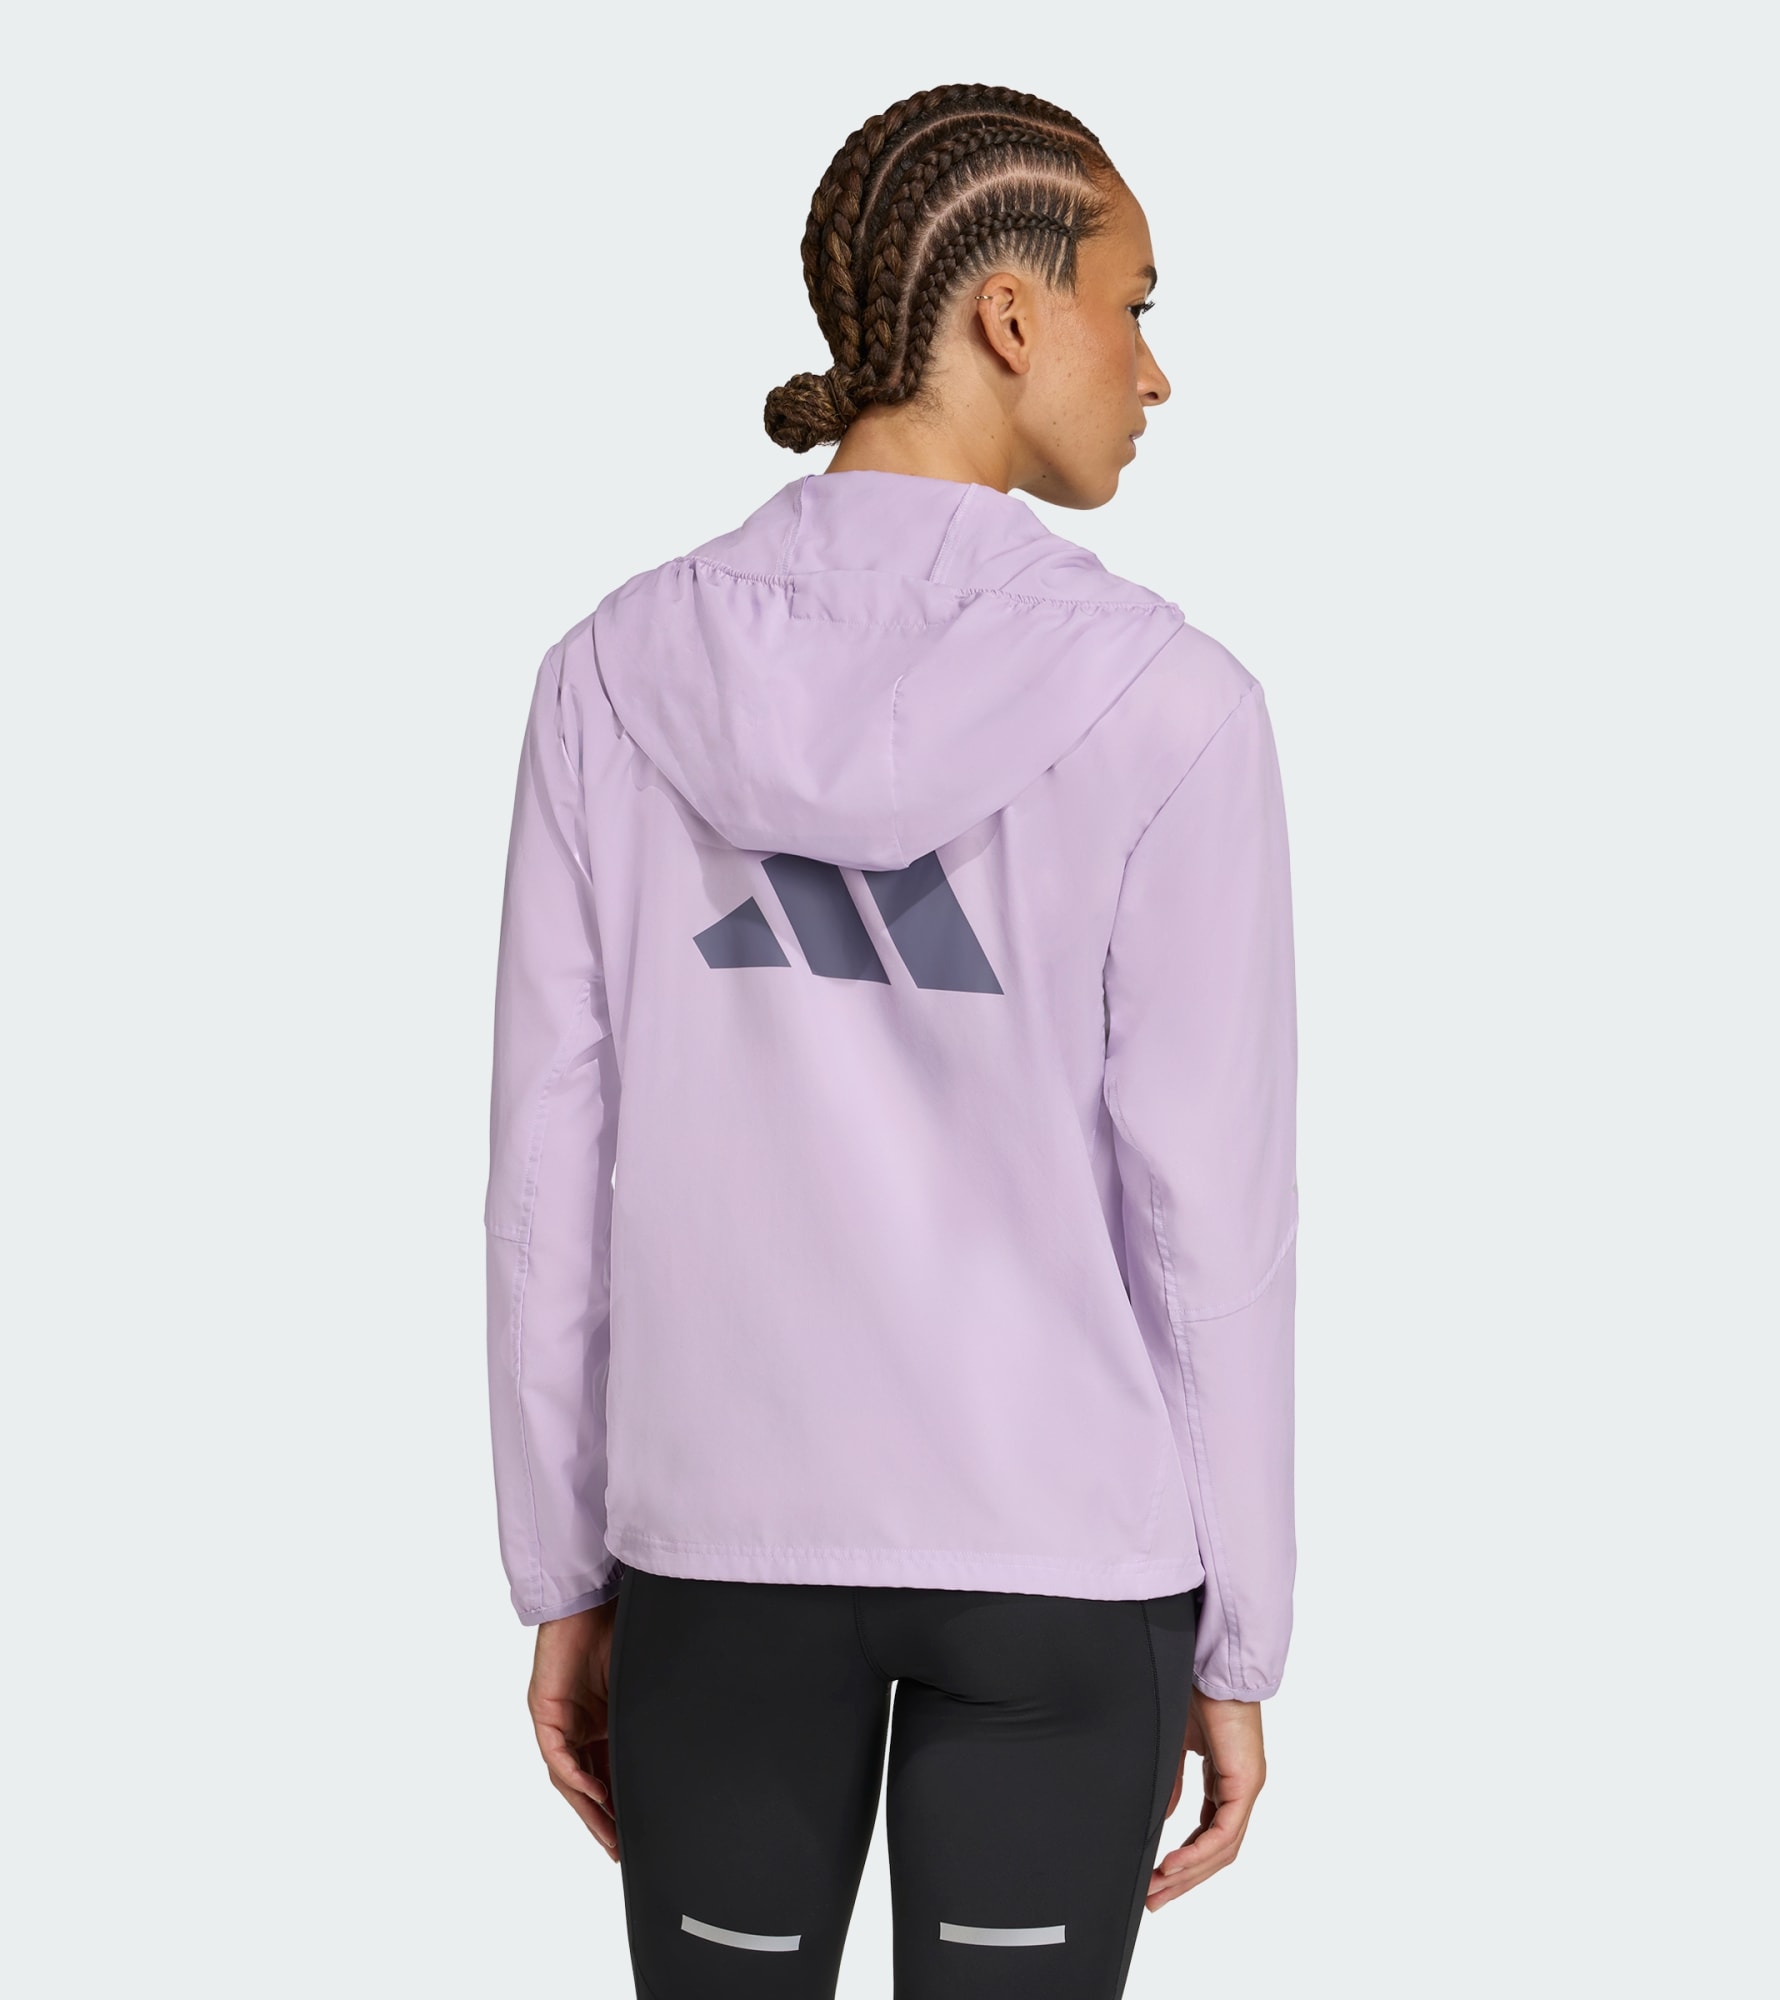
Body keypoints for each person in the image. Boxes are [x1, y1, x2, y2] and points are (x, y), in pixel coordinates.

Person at [483, 81, 1299, 1999]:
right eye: (1136, 305)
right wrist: (1240, 1634)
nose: (1154, 374)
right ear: (1012, 314)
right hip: (1064, 1565)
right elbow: (1212, 1219)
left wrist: (563, 1569)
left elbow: (545, 1177)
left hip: (717, 1559)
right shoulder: (1172, 708)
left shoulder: (611, 676)